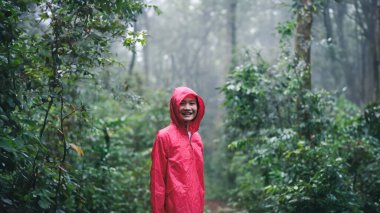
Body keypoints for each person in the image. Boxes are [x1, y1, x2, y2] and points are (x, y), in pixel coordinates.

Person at [150, 86, 205, 213]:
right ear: (174, 107)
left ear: (198, 107)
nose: (187, 108)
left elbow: (199, 182)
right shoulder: (164, 136)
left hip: (195, 207)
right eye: (182, 103)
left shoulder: (197, 138)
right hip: (173, 208)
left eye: (192, 103)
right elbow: (157, 181)